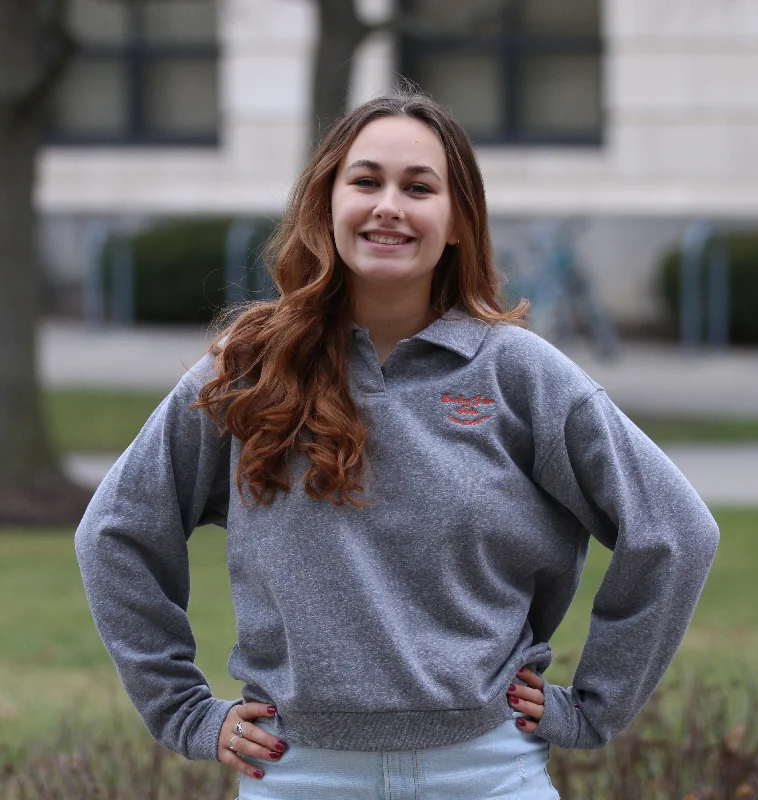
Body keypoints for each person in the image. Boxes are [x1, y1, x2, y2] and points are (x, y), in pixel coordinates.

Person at [75, 91, 719, 800]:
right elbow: (115, 530)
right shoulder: (249, 371)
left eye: (418, 187)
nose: (389, 205)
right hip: (298, 774)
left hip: (486, 771)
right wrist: (184, 711)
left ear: (456, 222)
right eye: (366, 181)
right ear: (326, 204)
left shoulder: (517, 374)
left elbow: (675, 531)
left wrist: (596, 704)